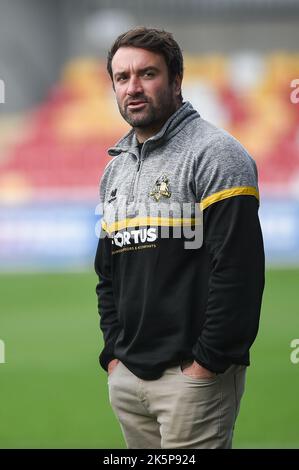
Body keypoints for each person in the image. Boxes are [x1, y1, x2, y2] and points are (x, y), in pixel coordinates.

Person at [94, 27, 265, 449]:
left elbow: (239, 272)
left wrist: (207, 363)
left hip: (192, 380)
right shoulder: (114, 171)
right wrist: (114, 356)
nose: (133, 87)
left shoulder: (216, 153)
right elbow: (107, 276)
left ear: (176, 80)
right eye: (122, 77)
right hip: (130, 381)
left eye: (147, 74)